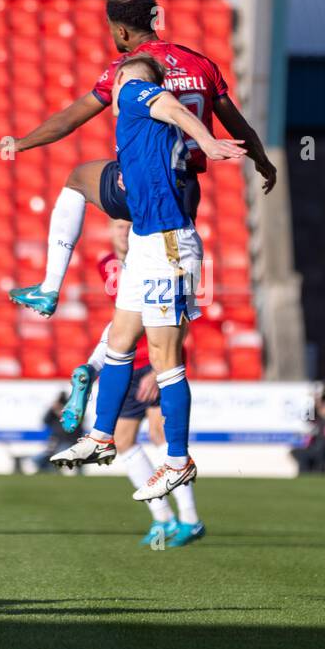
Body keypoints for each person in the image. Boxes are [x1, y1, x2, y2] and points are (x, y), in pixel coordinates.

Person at [0, 0, 277, 317]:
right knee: (148, 314)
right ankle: (106, 360)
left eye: (112, 28)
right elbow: (239, 126)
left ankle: (49, 287)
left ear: (122, 32)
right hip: (187, 194)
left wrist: (22, 142)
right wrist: (263, 161)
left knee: (76, 180)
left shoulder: (128, 70)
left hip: (143, 188)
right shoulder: (201, 63)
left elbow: (70, 118)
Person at [49, 53, 244, 512]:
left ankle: (177, 461)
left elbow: (175, 109)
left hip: (169, 245)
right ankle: (100, 437)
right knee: (119, 340)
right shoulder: (141, 120)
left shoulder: (137, 90)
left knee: (163, 357)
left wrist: (208, 140)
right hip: (145, 242)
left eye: (114, 84)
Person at [62, 219, 201, 548]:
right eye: (117, 227)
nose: (123, 231)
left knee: (161, 437)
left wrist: (159, 369)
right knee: (122, 442)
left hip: (156, 363)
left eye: (128, 225)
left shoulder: (163, 257)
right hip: (125, 366)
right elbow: (120, 320)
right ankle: (163, 518)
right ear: (109, 231)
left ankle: (192, 518)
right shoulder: (108, 266)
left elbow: (184, 318)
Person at [29, 392, 79, 474]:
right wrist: (52, 408)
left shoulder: (72, 415)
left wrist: (63, 412)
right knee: (37, 459)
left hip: (69, 443)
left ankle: (54, 472)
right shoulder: (53, 415)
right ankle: (46, 473)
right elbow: (45, 420)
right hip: (55, 443)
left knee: (58, 455)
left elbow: (75, 428)